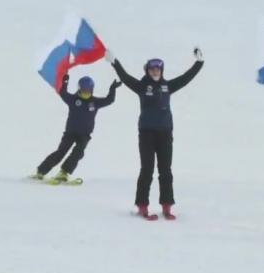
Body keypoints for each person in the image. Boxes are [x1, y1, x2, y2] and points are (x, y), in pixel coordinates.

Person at [110, 48, 204, 221]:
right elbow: (125, 77)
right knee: (147, 169)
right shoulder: (141, 86)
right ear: (147, 70)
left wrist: (199, 63)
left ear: (161, 71)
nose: (155, 71)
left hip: (165, 133)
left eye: (158, 69)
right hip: (146, 133)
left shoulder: (167, 86)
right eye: (152, 69)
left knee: (165, 171)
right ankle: (142, 206)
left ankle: (167, 206)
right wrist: (114, 62)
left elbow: (186, 78)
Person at [32, 75, 121, 184]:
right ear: (79, 89)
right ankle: (41, 171)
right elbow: (62, 93)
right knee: (61, 152)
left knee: (78, 152)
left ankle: (64, 172)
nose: (86, 93)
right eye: (84, 91)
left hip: (84, 135)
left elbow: (109, 100)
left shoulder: (94, 102)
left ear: (92, 90)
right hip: (70, 133)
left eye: (88, 91)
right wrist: (65, 81)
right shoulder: (73, 100)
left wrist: (113, 89)